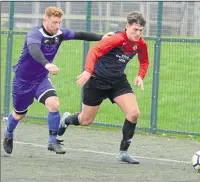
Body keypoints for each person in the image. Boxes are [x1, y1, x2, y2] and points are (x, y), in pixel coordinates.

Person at [3, 6, 113, 155]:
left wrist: (102, 37)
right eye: (54, 22)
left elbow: (79, 34)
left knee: (53, 104)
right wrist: (47, 64)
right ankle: (8, 133)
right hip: (23, 82)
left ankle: (52, 141)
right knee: (19, 114)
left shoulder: (60, 34)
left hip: (41, 80)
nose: (57, 26)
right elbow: (34, 50)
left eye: (59, 22)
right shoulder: (35, 33)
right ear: (45, 20)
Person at [58, 11, 149, 164]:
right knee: (85, 120)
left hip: (117, 82)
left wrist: (140, 75)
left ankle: (123, 152)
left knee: (133, 113)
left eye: (141, 30)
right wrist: (88, 71)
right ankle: (66, 120)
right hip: (97, 81)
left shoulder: (140, 44)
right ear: (127, 27)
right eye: (135, 29)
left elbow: (144, 61)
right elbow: (94, 51)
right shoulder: (117, 39)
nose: (138, 33)